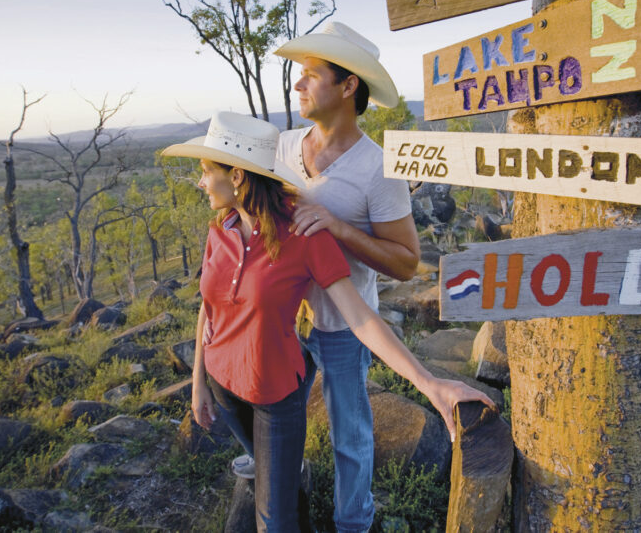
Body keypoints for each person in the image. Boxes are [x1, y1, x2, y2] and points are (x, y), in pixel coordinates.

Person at [163, 111, 491, 532]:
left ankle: (326, 508)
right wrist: (198, 382)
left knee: (273, 524)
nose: (201, 182)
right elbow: (208, 308)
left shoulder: (303, 236)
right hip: (224, 388)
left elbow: (360, 317)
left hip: (273, 398)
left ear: (239, 177)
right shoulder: (220, 227)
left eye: (207, 172)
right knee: (274, 480)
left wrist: (429, 383)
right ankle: (285, 479)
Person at [272, 21, 419, 532]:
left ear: (348, 85)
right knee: (276, 423)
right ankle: (286, 501)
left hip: (344, 324)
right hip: (285, 320)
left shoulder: (379, 169)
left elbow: (406, 262)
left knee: (348, 436)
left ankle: (354, 523)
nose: (298, 85)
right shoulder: (285, 147)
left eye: (311, 75)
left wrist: (338, 229)